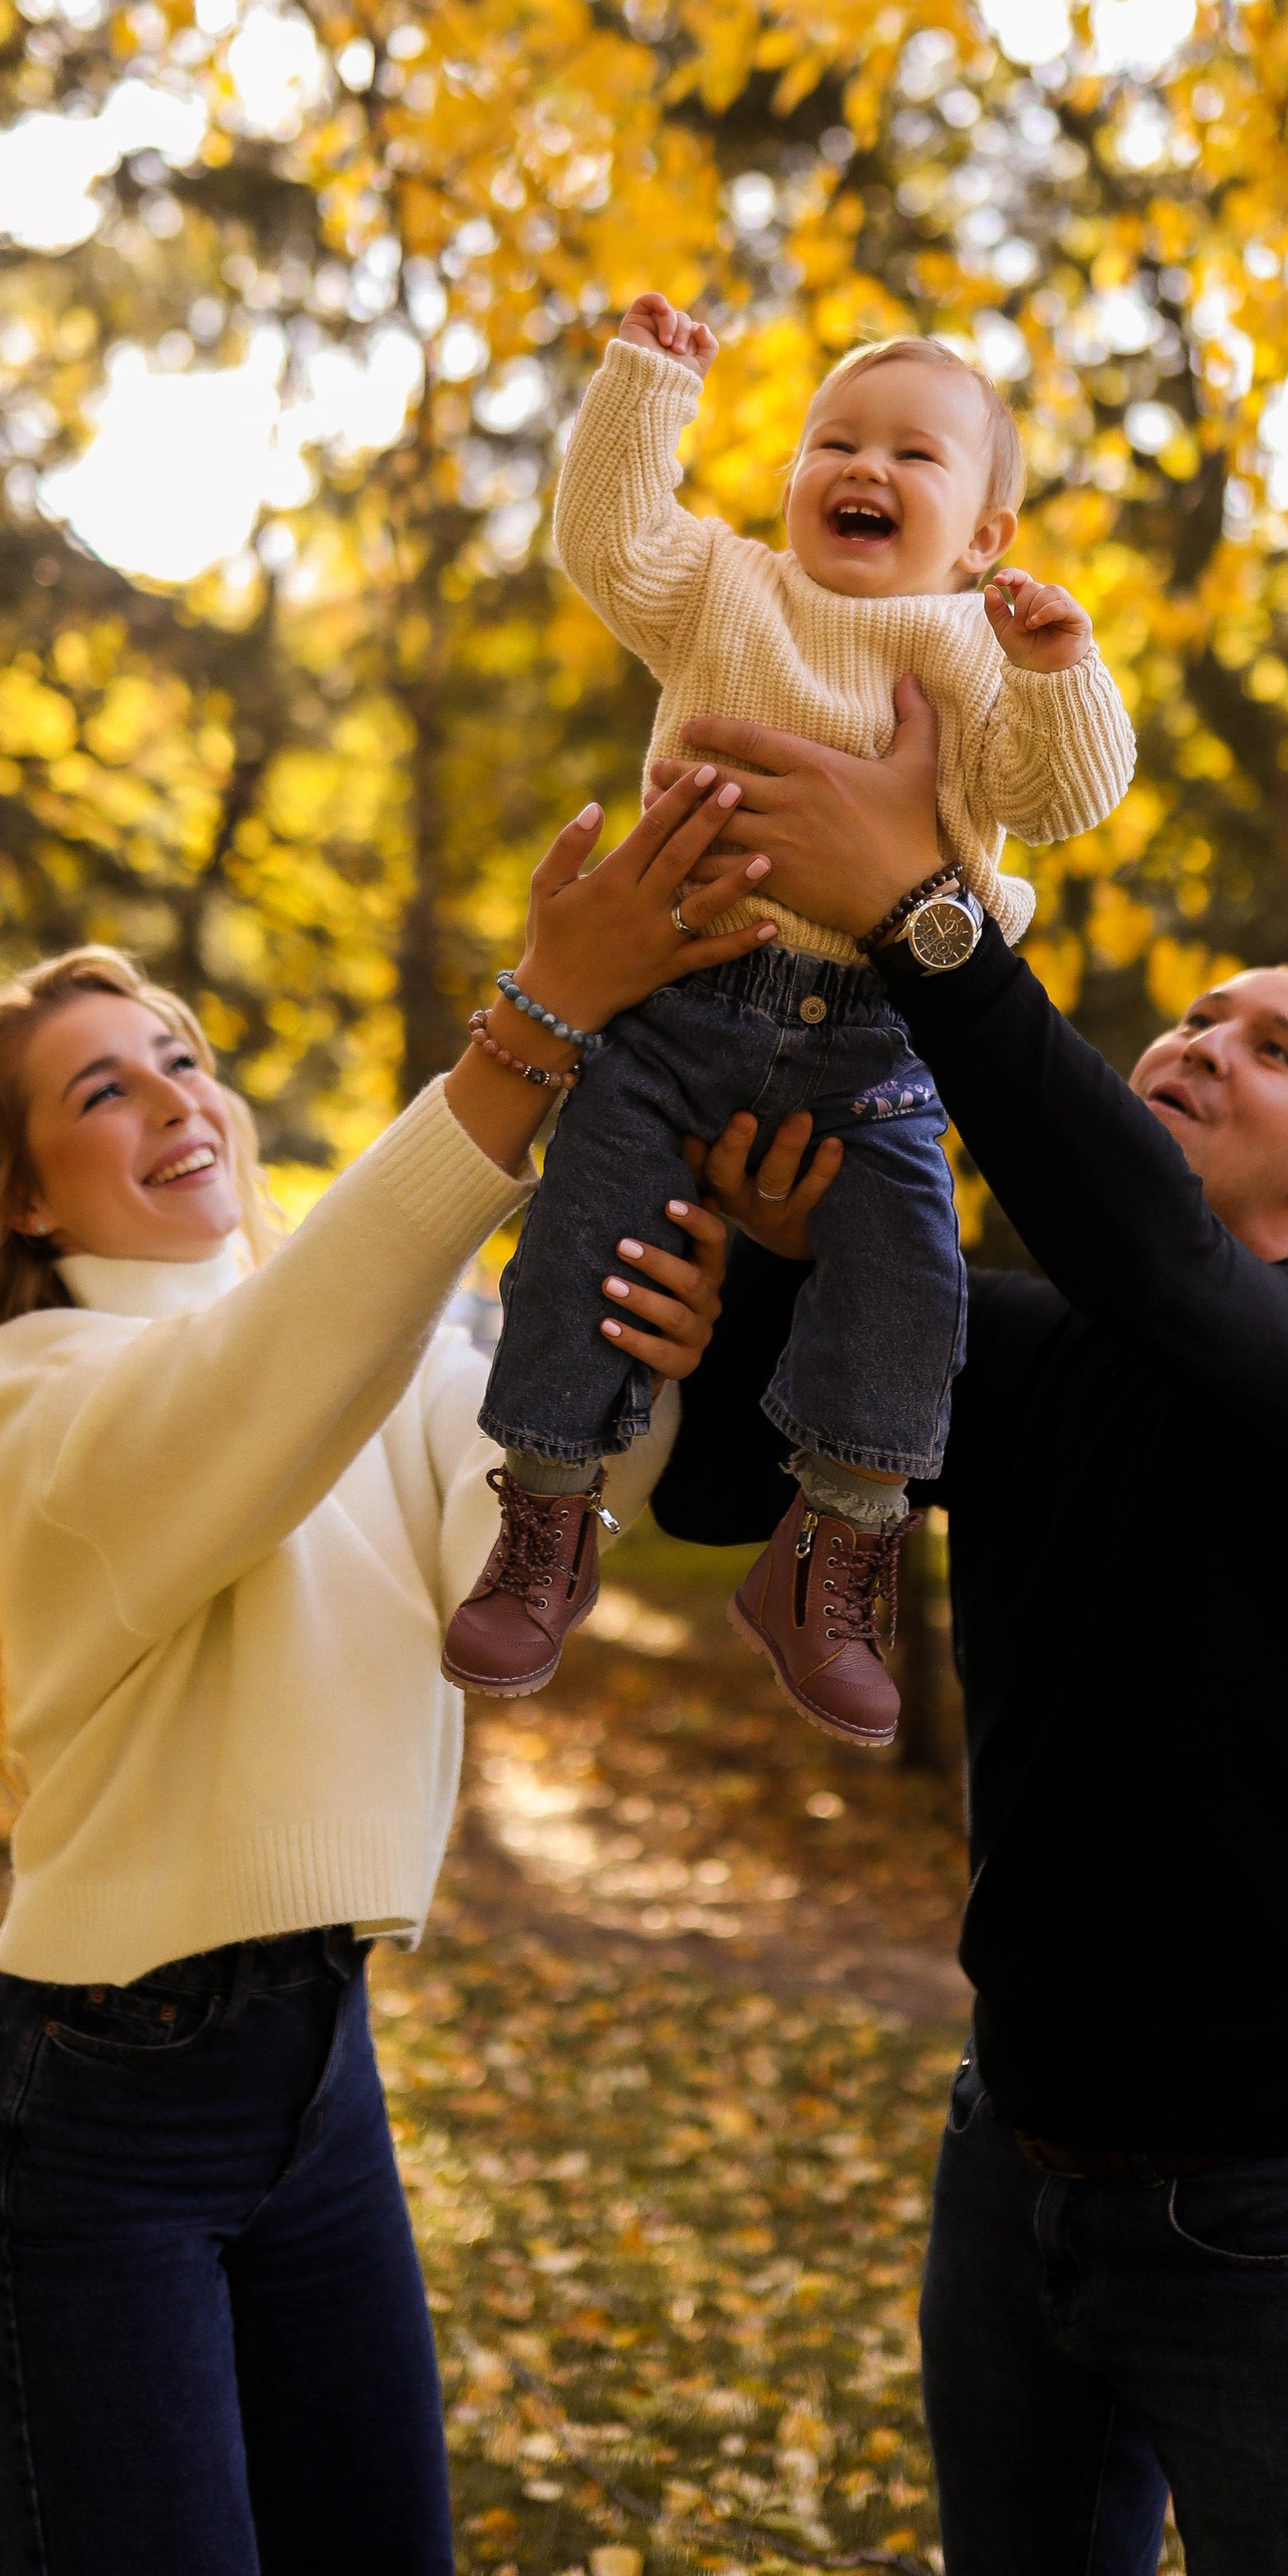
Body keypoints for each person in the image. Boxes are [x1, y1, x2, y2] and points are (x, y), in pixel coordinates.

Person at [0, 772, 760, 2576]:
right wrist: (522, 1031)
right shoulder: (55, 1395)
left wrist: (660, 1340)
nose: (176, 1097)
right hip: (103, 2129)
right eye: (104, 1089)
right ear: (22, 1194)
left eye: (184, 1057)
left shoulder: (352, 1350)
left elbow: (520, 1514)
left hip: (317, 2095)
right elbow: (270, 1380)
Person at [649, 681, 1288, 2576]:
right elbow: (725, 1496)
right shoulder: (1006, 1355)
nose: (1193, 1045)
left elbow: (1155, 1259)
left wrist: (930, 915)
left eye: (1265, 1051)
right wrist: (749, 1266)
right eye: (1187, 1018)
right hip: (1013, 2160)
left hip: (1275, 2200)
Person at [441, 293, 1135, 1745]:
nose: (862, 467)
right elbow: (603, 540)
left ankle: (835, 1544)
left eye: (914, 455)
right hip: (681, 1005)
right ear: (791, 481)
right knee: (586, 1234)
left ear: (988, 536)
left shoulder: (977, 659)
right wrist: (647, 382)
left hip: (881, 1046)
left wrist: (1066, 664)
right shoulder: (723, 589)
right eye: (835, 441)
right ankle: (548, 1519)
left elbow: (1064, 802)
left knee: (908, 1274)